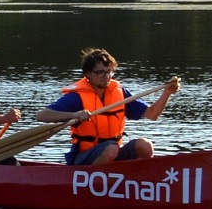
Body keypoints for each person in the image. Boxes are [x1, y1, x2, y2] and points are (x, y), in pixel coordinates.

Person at [34, 48, 181, 165]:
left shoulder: (119, 93)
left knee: (145, 145)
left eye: (109, 72)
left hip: (113, 152)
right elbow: (42, 115)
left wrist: (167, 93)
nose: (106, 77)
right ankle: (92, 185)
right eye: (101, 73)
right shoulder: (76, 97)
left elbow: (152, 114)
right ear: (88, 74)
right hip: (84, 158)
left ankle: (143, 182)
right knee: (111, 148)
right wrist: (74, 115)